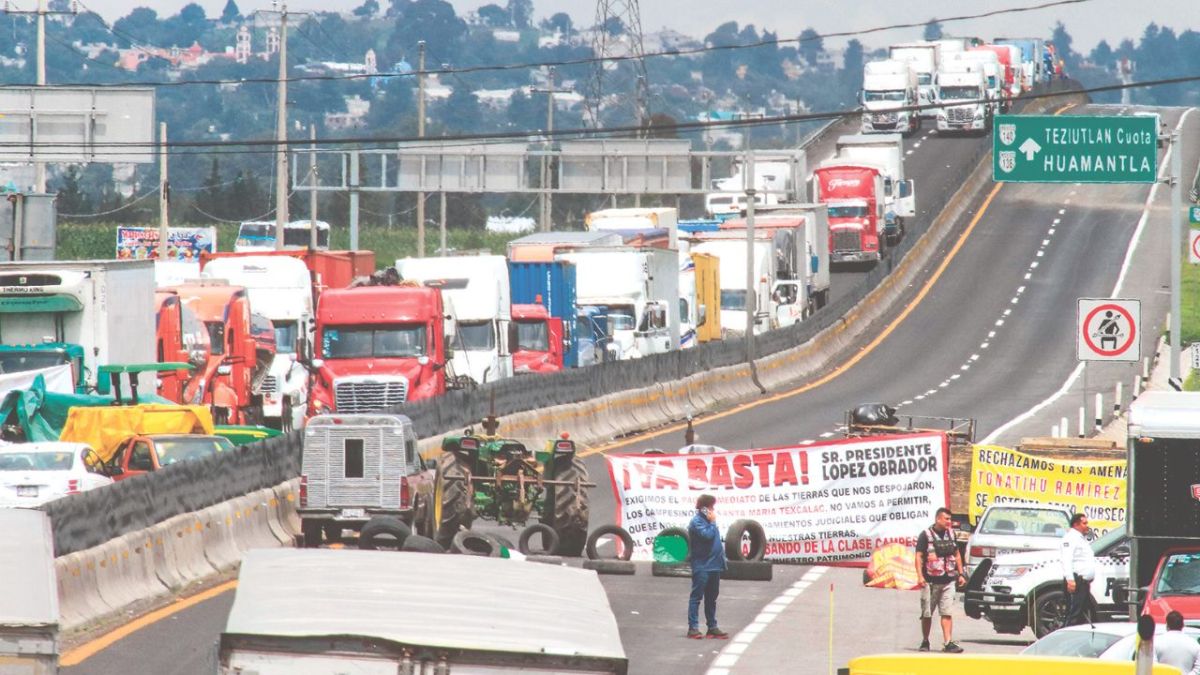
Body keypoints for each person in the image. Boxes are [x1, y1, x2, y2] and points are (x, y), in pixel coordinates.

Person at [914, 507, 966, 653]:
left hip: (948, 581)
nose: (949, 522)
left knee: (947, 612)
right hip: (930, 582)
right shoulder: (925, 535)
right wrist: (919, 576)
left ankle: (948, 642)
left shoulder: (951, 534)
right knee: (927, 614)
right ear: (938, 519)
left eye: (950, 519)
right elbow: (919, 556)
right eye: (946, 519)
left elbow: (956, 555)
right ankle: (925, 641)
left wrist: (961, 574)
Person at [686, 494, 728, 640]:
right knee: (696, 597)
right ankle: (693, 628)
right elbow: (707, 536)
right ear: (704, 508)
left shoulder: (709, 522)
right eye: (710, 507)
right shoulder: (697, 522)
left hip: (714, 566)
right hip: (702, 566)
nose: (712, 510)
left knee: (712, 598)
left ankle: (712, 626)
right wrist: (712, 522)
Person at [1059, 513, 1096, 627]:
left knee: (1083, 615)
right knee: (1073, 614)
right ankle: (1065, 639)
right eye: (1084, 523)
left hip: (1083, 583)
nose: (1087, 526)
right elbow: (1066, 559)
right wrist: (1070, 580)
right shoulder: (1070, 538)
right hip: (1076, 581)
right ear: (1076, 524)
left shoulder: (1080, 538)